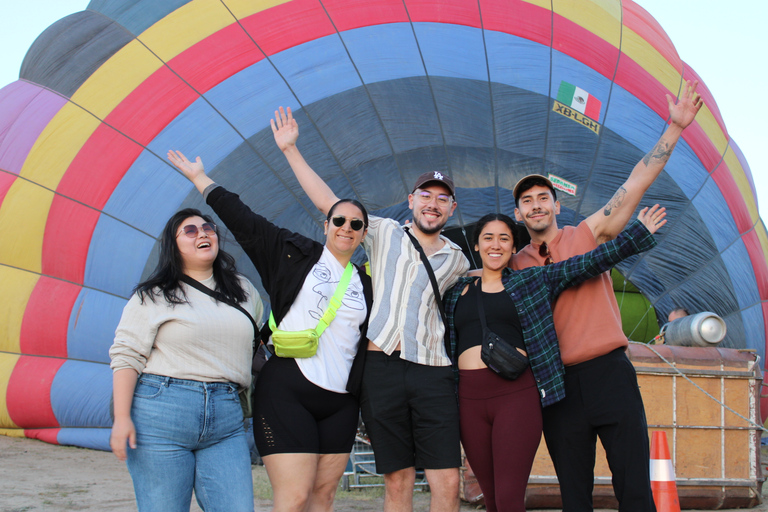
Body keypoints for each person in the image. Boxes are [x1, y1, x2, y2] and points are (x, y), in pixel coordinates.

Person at [511, 80, 703, 511]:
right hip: (557, 386)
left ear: (557, 206)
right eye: (527, 201)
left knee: (634, 487)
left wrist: (674, 129)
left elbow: (634, 183)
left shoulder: (587, 234)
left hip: (609, 374)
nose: (536, 205)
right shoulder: (514, 266)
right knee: (574, 497)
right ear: (519, 213)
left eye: (544, 197)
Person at [271, 106, 469, 512]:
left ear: (452, 209)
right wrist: (291, 150)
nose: (433, 203)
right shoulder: (382, 232)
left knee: (446, 480)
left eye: (442, 199)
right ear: (411, 200)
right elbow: (331, 203)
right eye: (426, 195)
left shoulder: (460, 261)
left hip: (433, 371)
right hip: (382, 369)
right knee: (397, 480)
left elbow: (497, 270)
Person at [167, 150, 373, 512]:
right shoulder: (290, 253)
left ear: (364, 234)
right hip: (288, 391)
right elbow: (243, 218)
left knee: (322, 499)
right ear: (325, 225)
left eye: (356, 224)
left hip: (341, 400)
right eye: (339, 220)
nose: (347, 228)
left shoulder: (368, 284)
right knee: (293, 499)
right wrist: (200, 178)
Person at [444, 207, 665, 512]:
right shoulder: (456, 291)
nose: (496, 244)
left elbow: (587, 263)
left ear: (513, 247)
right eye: (488, 238)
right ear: (477, 244)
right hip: (469, 399)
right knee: (491, 499)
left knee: (509, 499)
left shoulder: (530, 282)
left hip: (514, 394)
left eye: (504, 239)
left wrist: (636, 235)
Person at [109, 208, 262, 512]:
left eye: (208, 227)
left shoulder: (244, 290)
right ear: (173, 244)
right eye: (190, 230)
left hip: (226, 415)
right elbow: (127, 355)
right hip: (162, 412)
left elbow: (257, 345)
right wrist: (122, 418)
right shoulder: (152, 295)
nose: (203, 233)